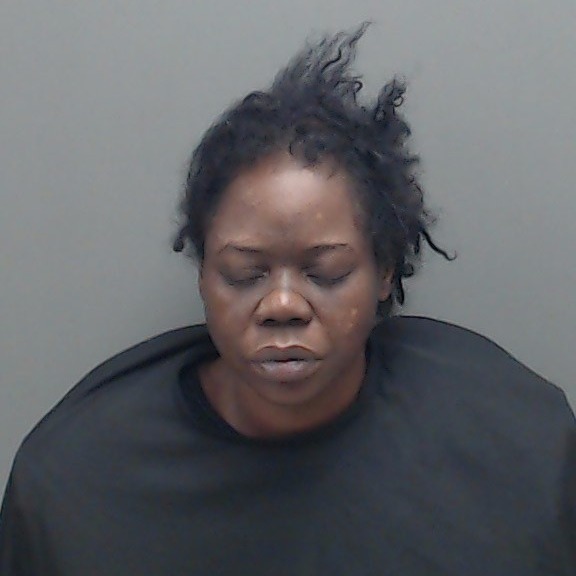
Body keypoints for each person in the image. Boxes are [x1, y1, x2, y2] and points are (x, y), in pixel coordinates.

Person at [1, 24, 574, 575]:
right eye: (244, 273)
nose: (281, 305)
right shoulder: (75, 484)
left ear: (384, 272)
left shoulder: (515, 443)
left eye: (325, 273)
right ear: (203, 274)